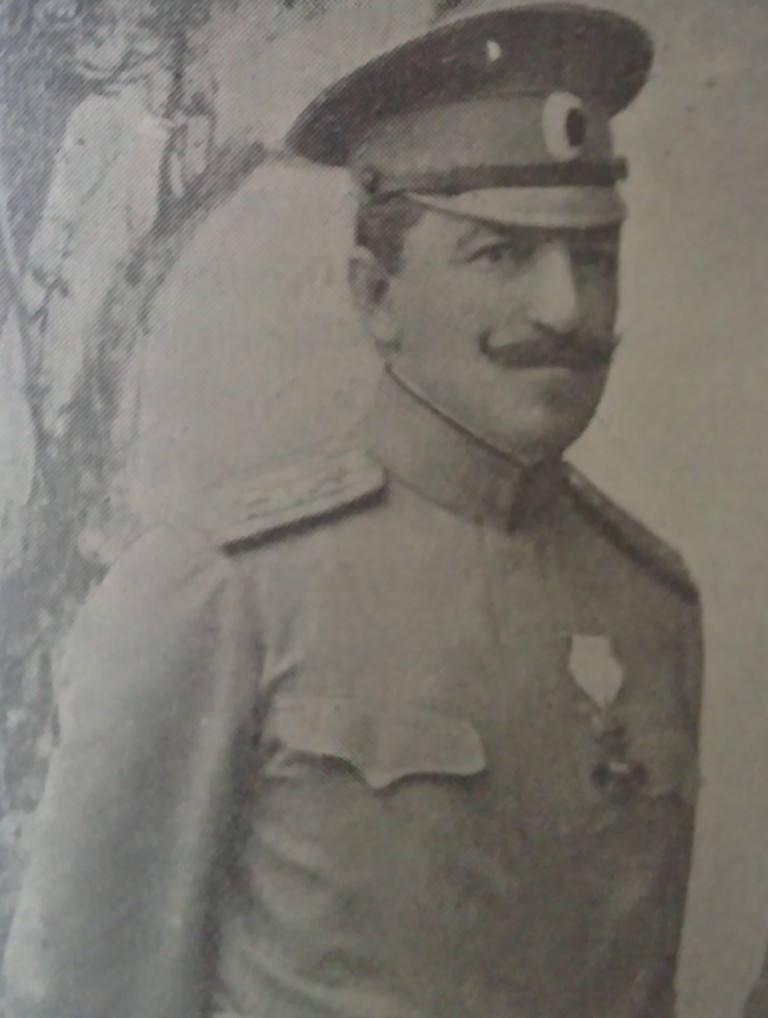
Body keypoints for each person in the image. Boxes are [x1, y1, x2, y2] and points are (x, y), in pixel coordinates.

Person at [2, 3, 704, 1017]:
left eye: (593, 259)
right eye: (501, 255)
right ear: (376, 294)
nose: (565, 309)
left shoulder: (651, 606)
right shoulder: (223, 591)